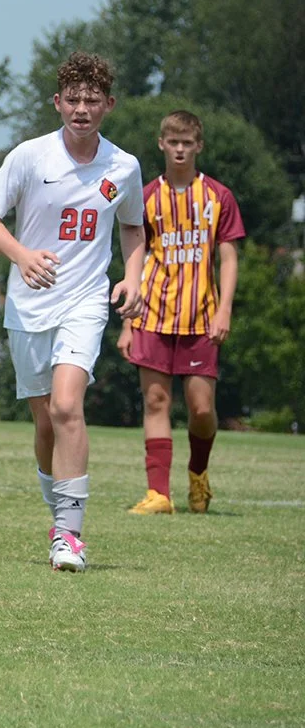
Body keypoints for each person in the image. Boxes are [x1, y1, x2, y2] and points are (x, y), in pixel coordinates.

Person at [0, 51, 144, 572]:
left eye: (92, 100)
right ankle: (59, 517)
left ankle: (69, 536)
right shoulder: (30, 157)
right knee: (46, 422)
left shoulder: (124, 166)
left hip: (84, 300)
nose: (81, 109)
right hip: (28, 307)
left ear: (109, 104)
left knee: (68, 406)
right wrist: (21, 256)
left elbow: (132, 227)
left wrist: (132, 277)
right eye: (73, 100)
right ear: (57, 102)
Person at [119, 110, 244, 514]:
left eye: (187, 143)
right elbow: (135, 258)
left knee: (201, 408)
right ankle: (158, 494)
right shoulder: (146, 197)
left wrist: (224, 310)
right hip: (152, 314)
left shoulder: (218, 197)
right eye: (172, 142)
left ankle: (198, 474)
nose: (179, 150)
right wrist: (128, 322)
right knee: (156, 401)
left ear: (198, 147)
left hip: (200, 317)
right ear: (161, 144)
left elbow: (228, 257)